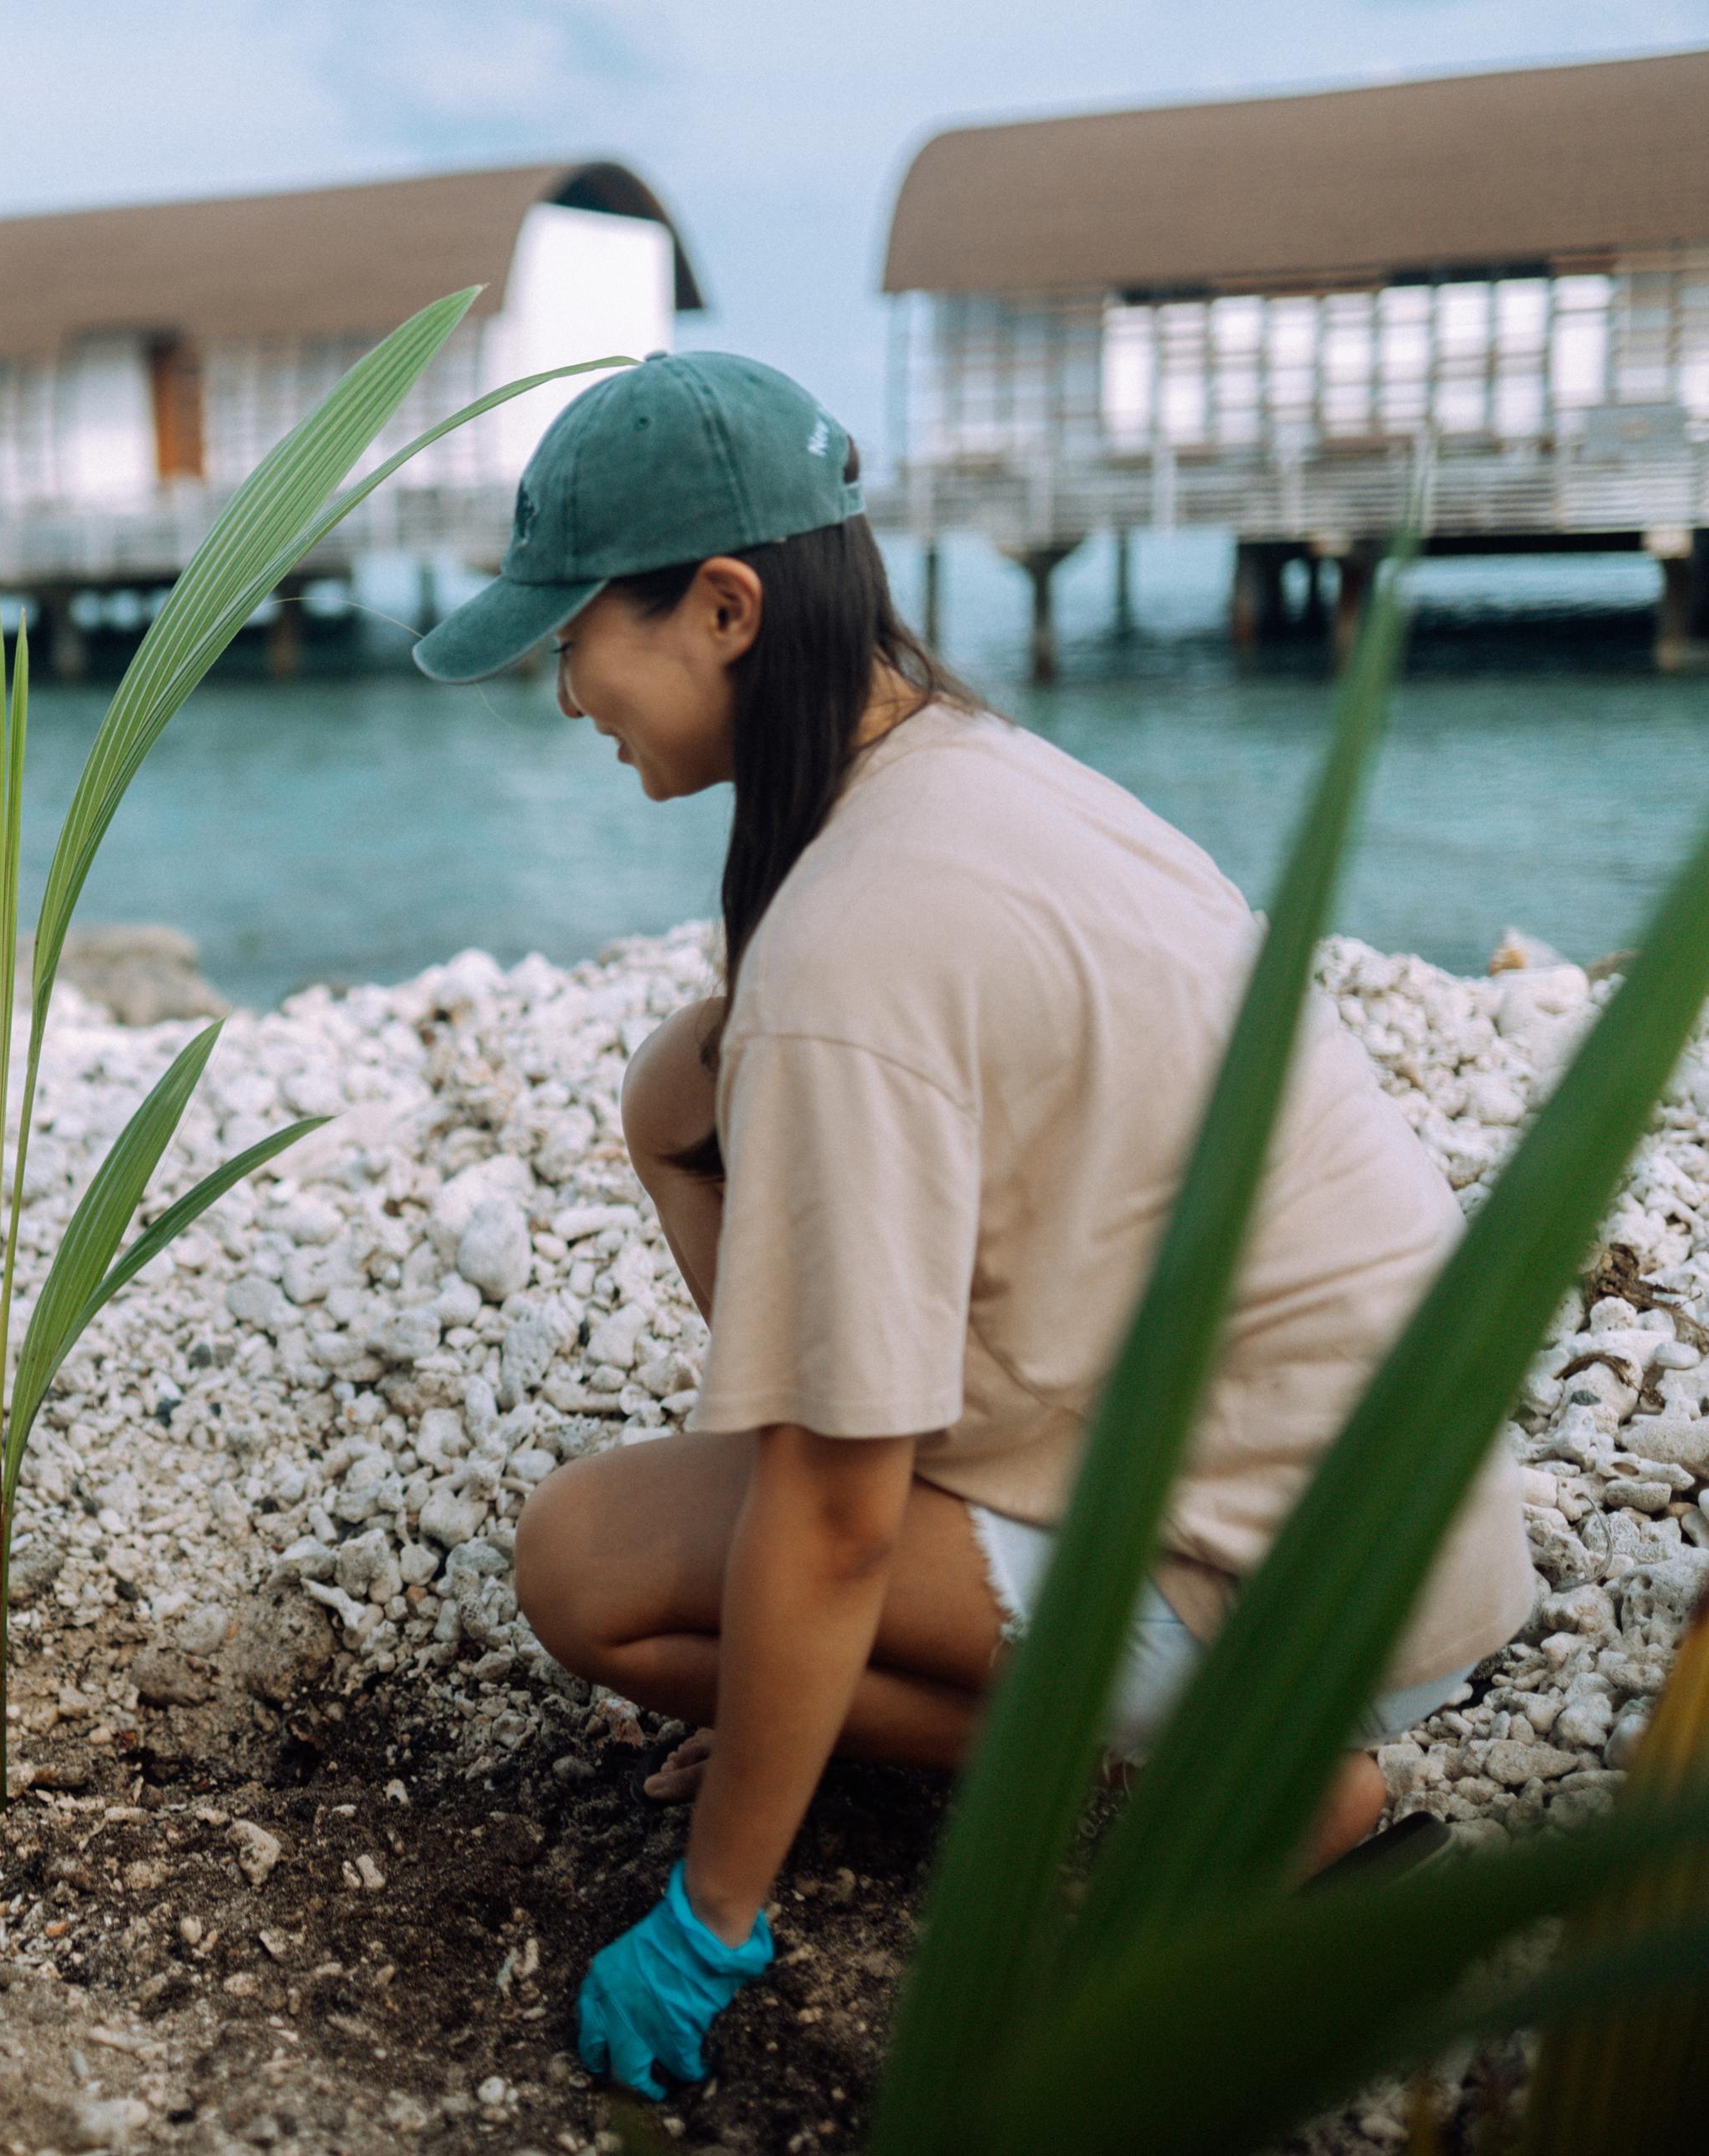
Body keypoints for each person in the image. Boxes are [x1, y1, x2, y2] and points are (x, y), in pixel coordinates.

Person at [410, 355, 1535, 2097]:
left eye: (573, 639)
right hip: (1370, 1478)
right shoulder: (967, 771)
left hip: (1292, 1574)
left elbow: (838, 1507)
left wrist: (715, 1897)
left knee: (592, 1566)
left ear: (722, 610)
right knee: (675, 1094)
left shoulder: (857, 942)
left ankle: (1262, 1785)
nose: (563, 693)